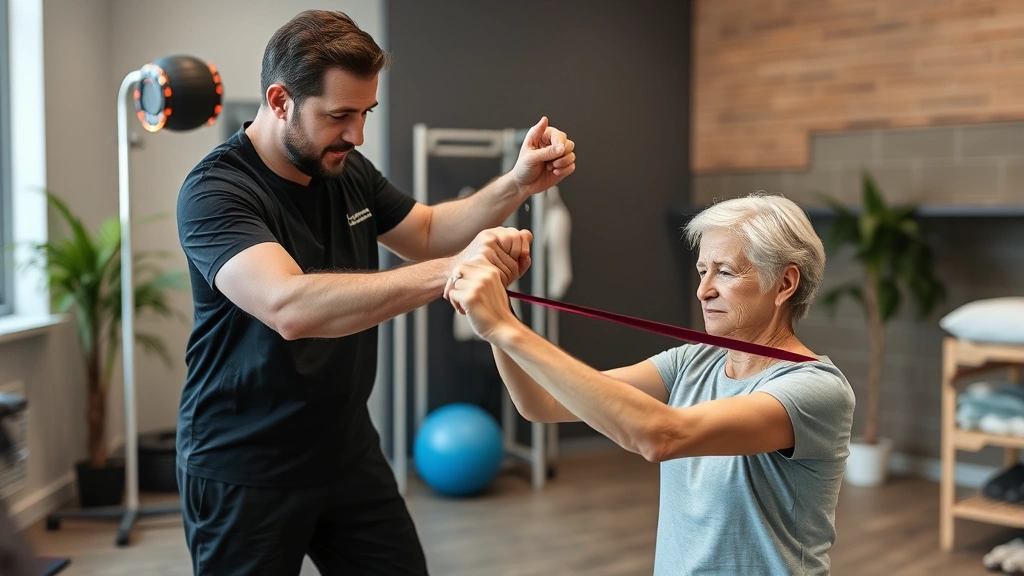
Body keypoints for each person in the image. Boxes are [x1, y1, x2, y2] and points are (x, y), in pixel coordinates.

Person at [174, 9, 574, 576]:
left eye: (365, 113)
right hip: (245, 462)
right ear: (280, 99)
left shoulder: (345, 168)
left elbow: (429, 231)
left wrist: (517, 183)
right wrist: (452, 271)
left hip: (346, 448)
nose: (357, 134)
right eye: (340, 115)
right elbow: (288, 306)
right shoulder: (217, 191)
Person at [446, 193, 856, 575]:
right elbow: (541, 402)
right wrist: (497, 327)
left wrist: (506, 328)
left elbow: (660, 436)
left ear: (785, 284)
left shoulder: (815, 390)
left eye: (725, 272)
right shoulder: (694, 360)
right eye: (701, 270)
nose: (702, 290)